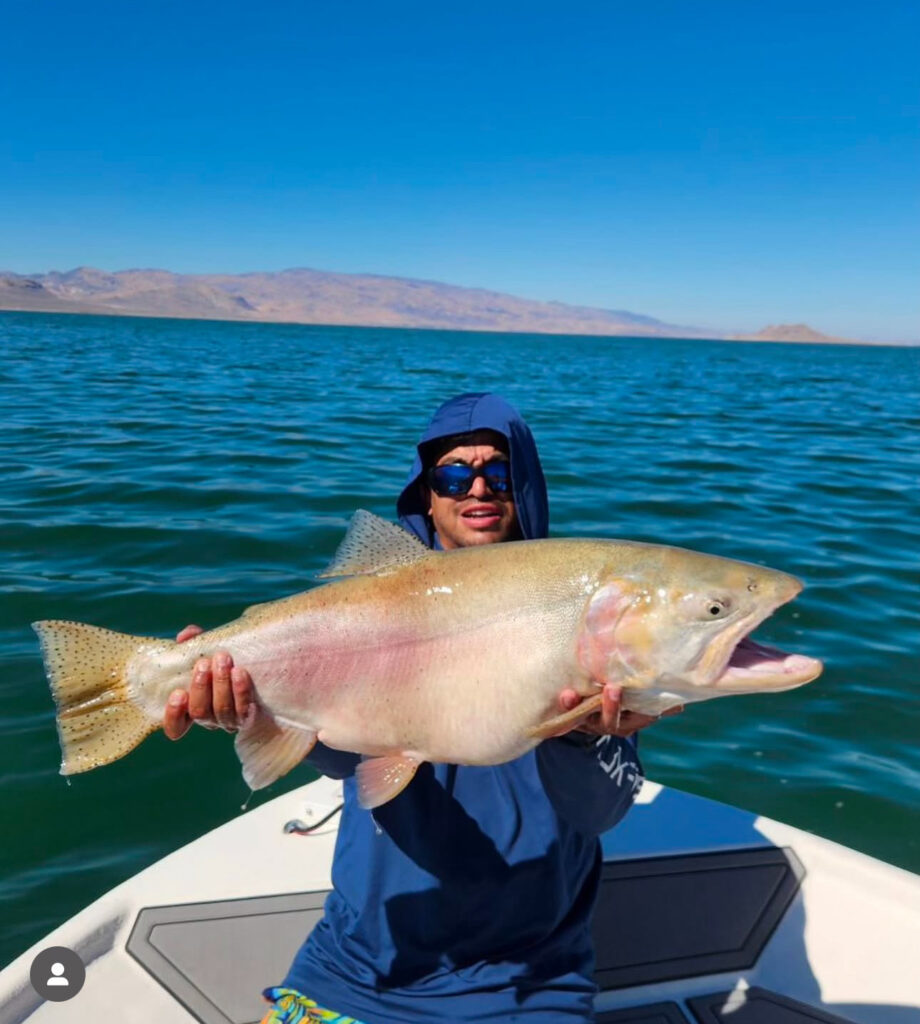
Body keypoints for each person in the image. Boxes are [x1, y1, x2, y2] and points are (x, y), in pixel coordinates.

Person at [165, 393, 680, 1023]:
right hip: (351, 969)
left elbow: (602, 808)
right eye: (453, 474)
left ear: (525, 484)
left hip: (526, 987)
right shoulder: (369, 611)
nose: (478, 486)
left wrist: (582, 736)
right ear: (427, 495)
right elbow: (341, 752)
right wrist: (246, 711)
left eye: (498, 468)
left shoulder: (587, 617)